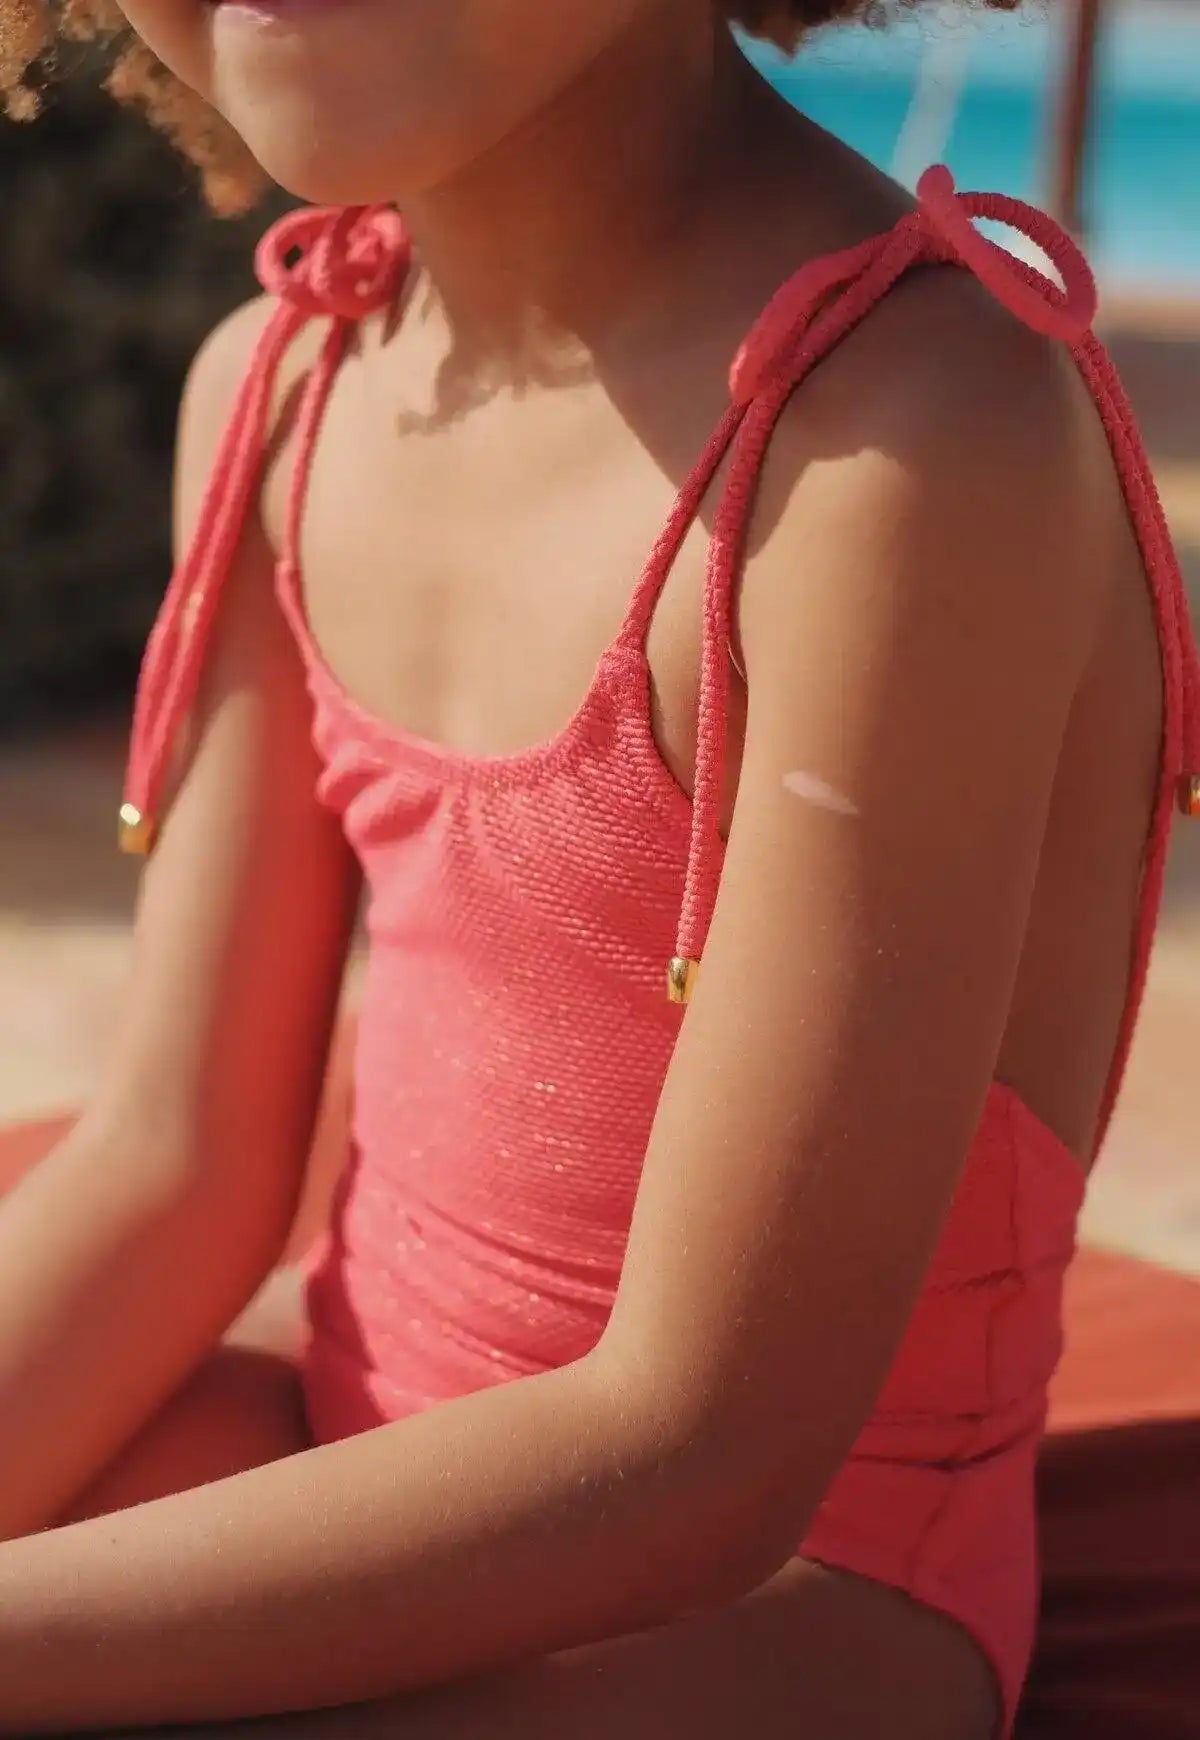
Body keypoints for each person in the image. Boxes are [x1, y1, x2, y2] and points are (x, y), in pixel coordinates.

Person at [1, 2, 1197, 1735]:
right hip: (377, 1458)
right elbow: (168, 1165)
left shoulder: (902, 443)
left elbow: (699, 1454)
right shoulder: (284, 380)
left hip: (787, 1596)